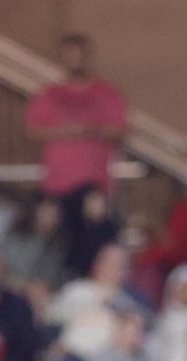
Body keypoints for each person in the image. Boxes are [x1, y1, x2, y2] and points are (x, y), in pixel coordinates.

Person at [29, 34, 129, 241]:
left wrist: (89, 130)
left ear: (87, 56)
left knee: (94, 241)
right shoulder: (49, 94)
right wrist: (63, 131)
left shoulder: (106, 92)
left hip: (94, 186)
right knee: (58, 244)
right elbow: (32, 130)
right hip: (56, 186)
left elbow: (120, 130)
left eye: (78, 55)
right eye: (69, 56)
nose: (74, 60)